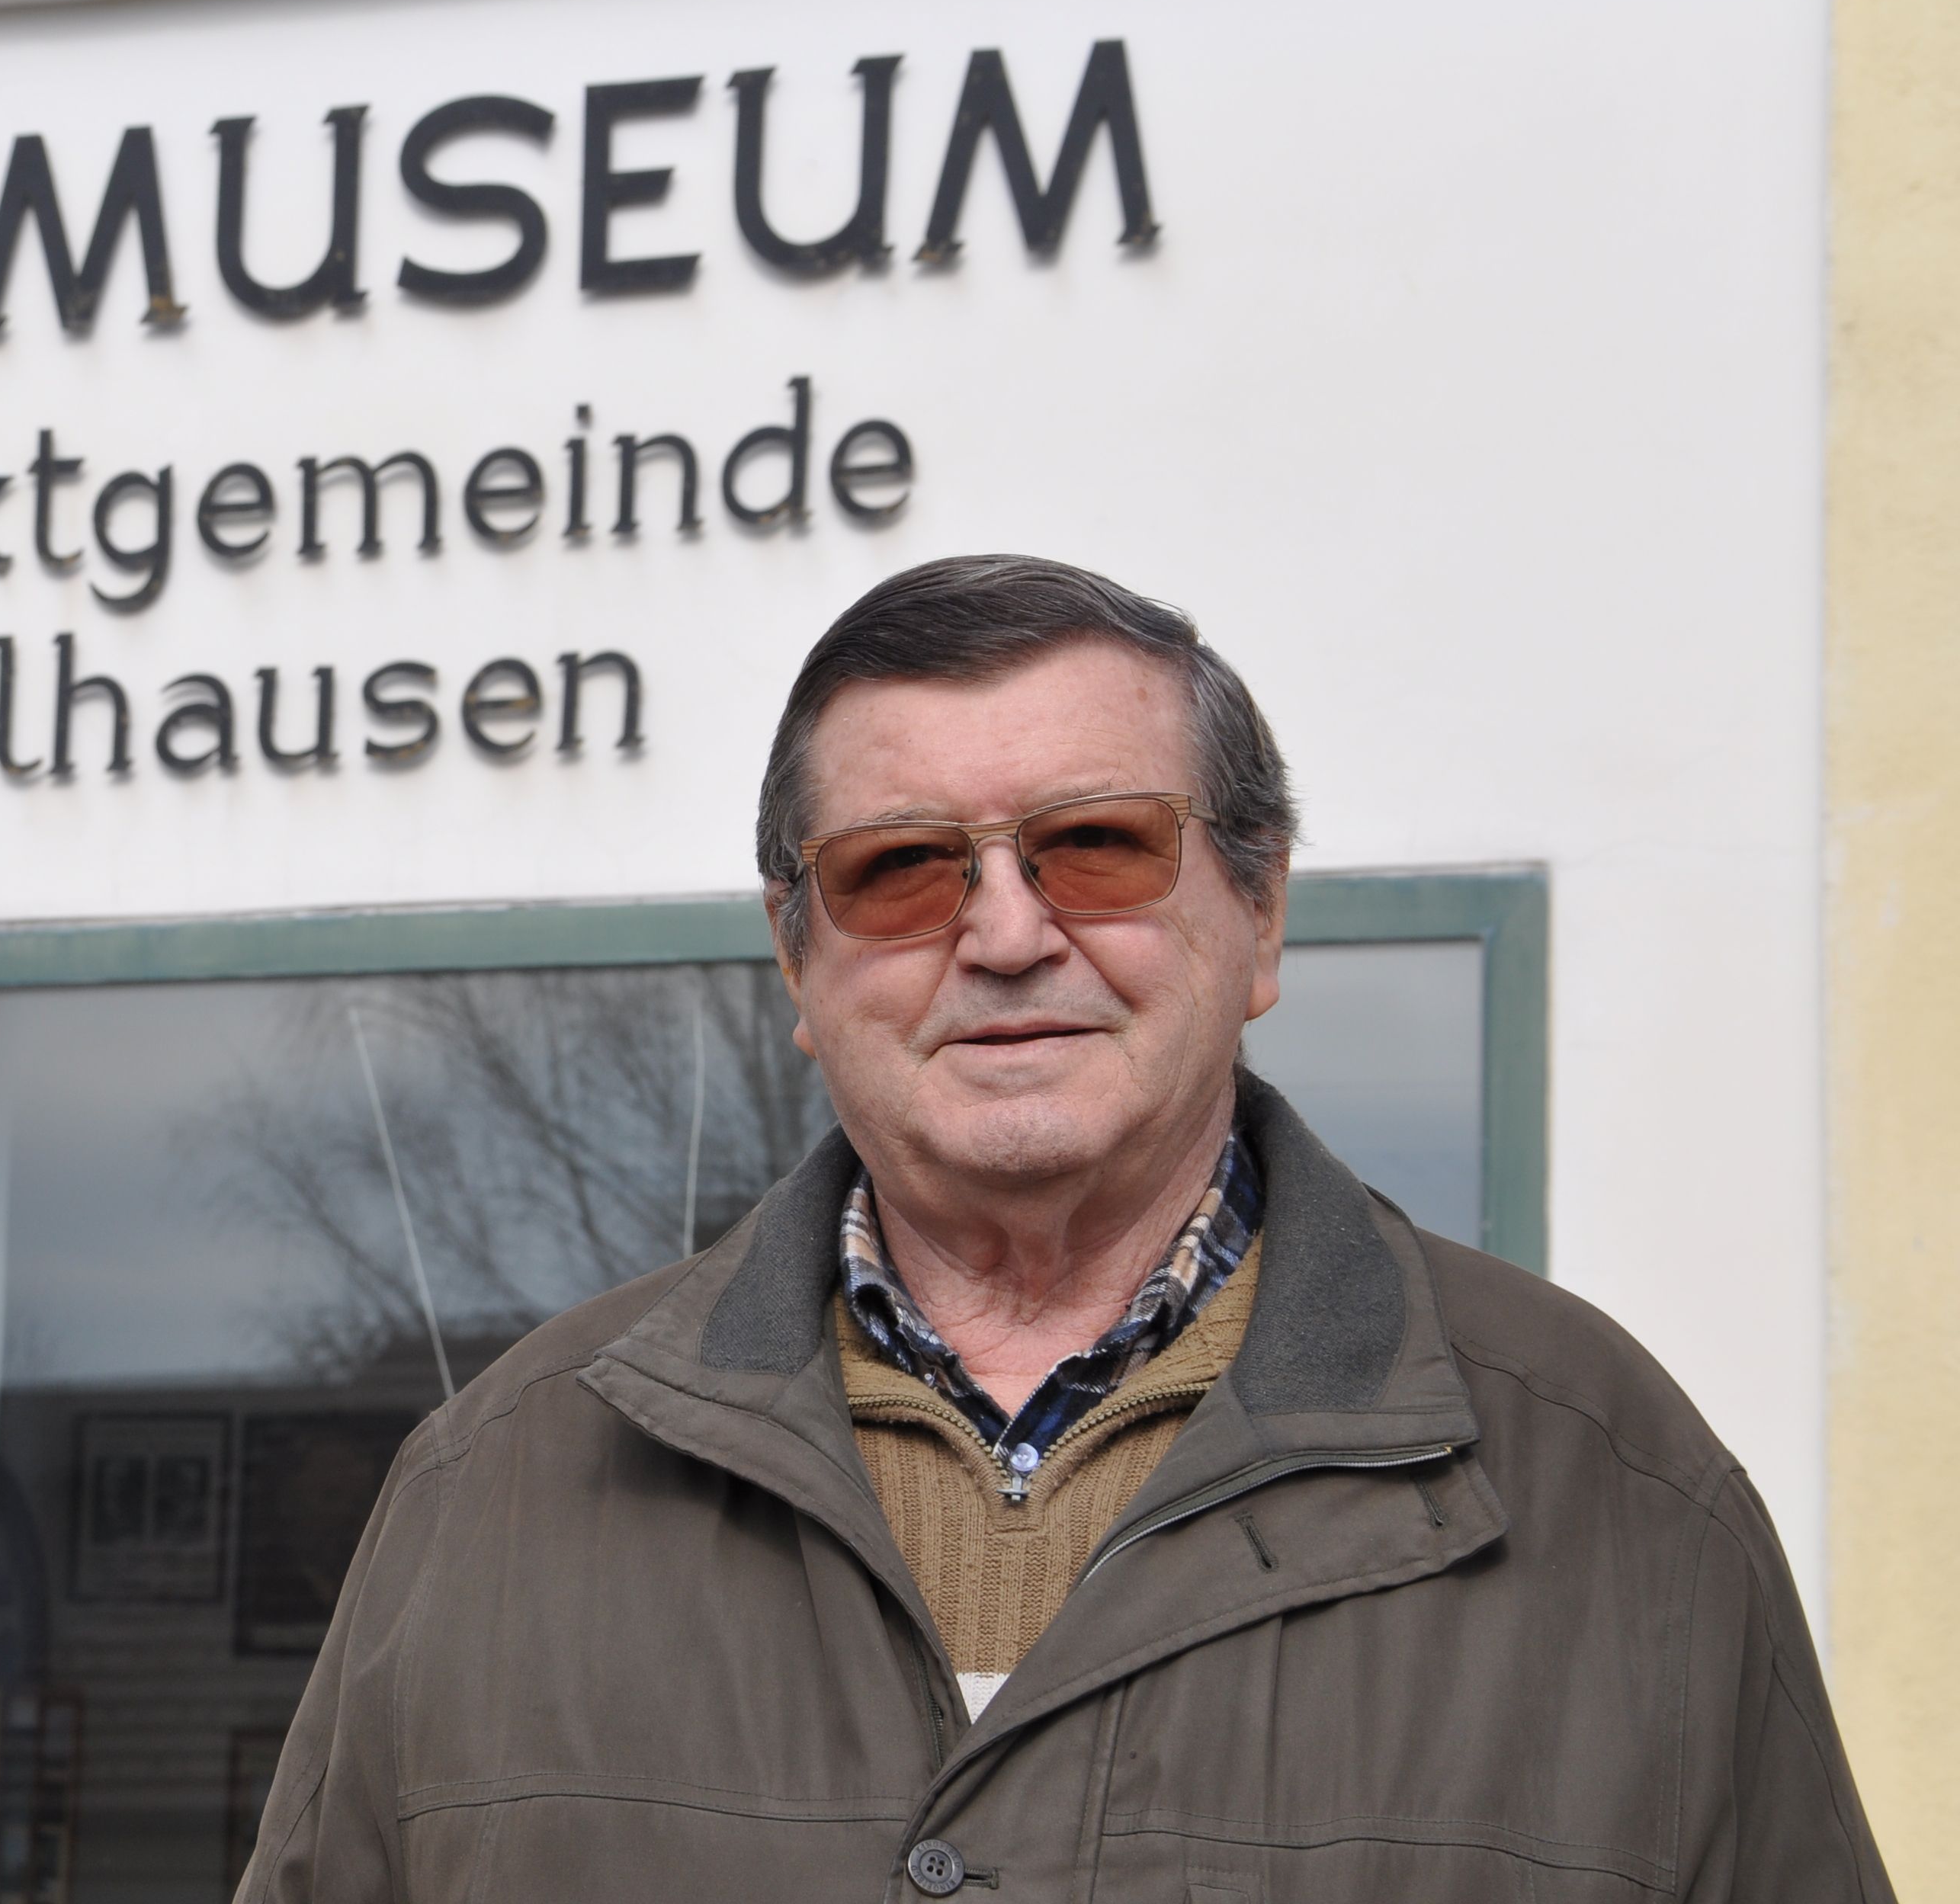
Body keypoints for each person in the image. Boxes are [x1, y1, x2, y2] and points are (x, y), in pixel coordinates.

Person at [238, 554, 1891, 1903]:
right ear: (796, 959)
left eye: (1095, 844)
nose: (1006, 929)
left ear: (1257, 913)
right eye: (900, 866)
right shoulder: (496, 1485)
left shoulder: (1613, 1493)